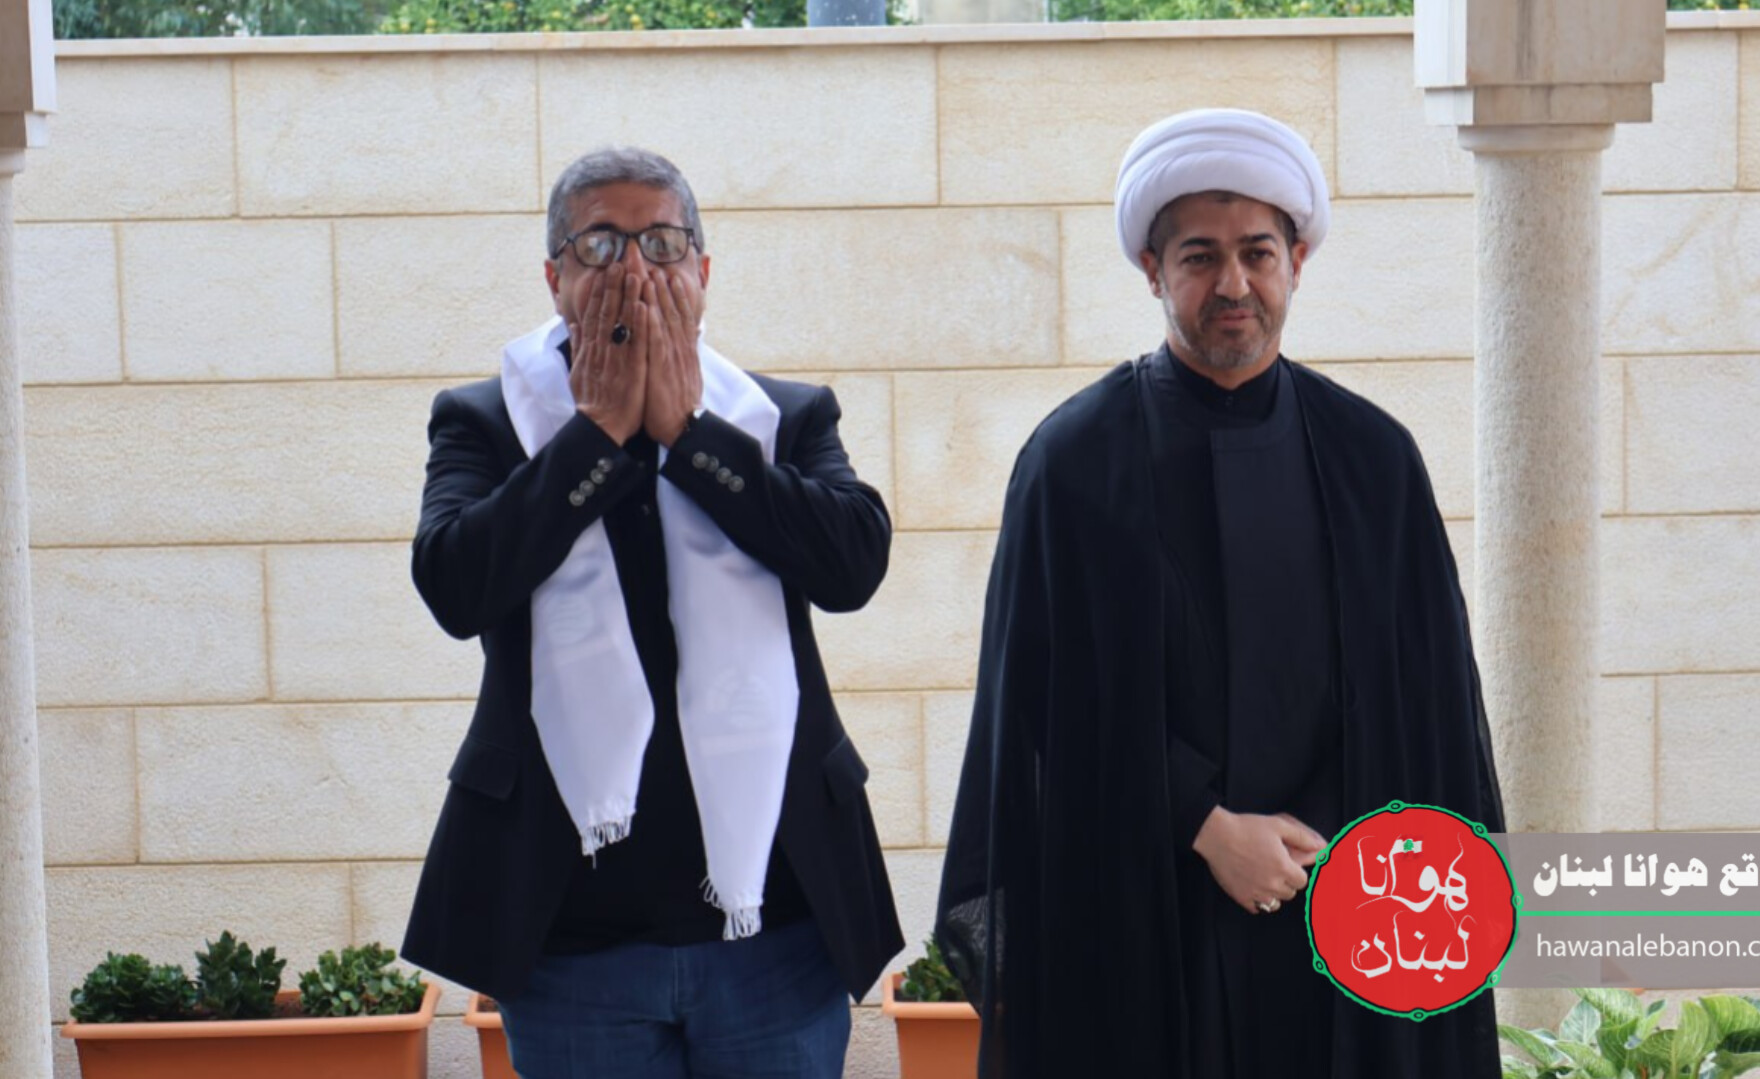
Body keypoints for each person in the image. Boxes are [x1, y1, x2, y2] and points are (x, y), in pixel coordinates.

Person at [934, 108, 1506, 1079]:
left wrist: (1324, 855)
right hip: (1143, 924)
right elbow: (1039, 716)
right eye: (1200, 256)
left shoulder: (1374, 463)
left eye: (1258, 253)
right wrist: (1204, 825)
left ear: (1298, 263)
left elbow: (1429, 716)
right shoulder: (1073, 466)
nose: (1234, 284)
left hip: (1349, 921)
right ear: (1152, 270)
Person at [401, 146, 902, 1079]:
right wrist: (592, 436)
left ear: (703, 273)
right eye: (600, 245)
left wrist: (694, 438)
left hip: (774, 924)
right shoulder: (487, 422)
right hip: (571, 935)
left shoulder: (781, 417)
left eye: (662, 244)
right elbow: (456, 586)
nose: (634, 269)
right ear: (554, 279)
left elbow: (852, 565)